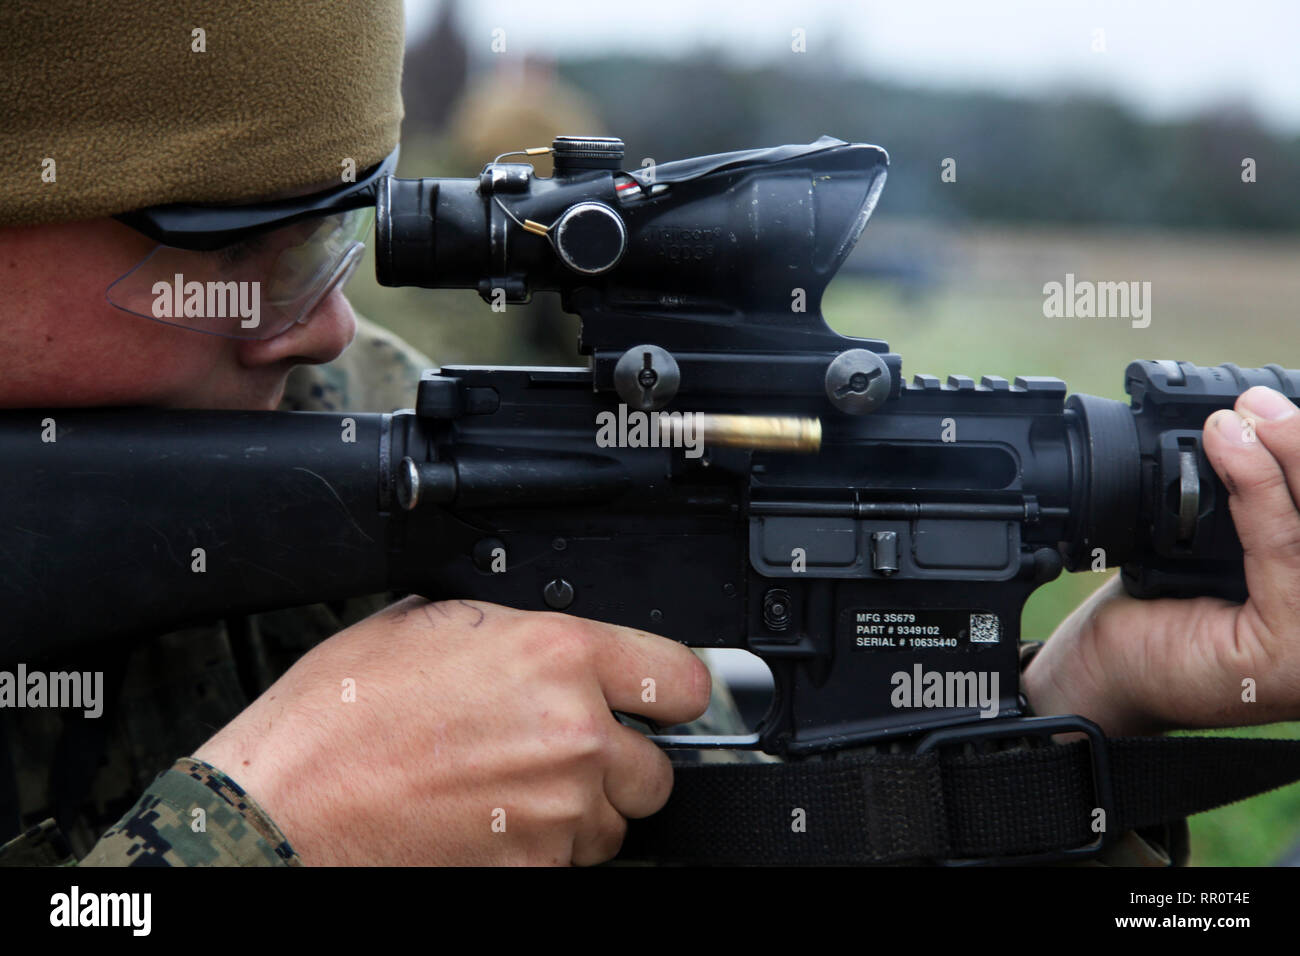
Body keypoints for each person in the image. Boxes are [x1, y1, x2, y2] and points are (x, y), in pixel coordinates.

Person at [2, 0, 1299, 868]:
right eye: (252, 255)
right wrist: (276, 828)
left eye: (338, 234)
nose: (325, 331)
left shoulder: (371, 433)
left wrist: (1073, 710)